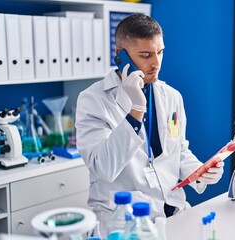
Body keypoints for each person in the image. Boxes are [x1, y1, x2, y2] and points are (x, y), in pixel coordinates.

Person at [75, 13, 224, 235]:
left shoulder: (172, 96)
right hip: (122, 222)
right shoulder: (93, 99)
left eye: (160, 52)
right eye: (145, 55)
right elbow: (103, 168)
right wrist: (136, 110)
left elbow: (178, 151)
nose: (156, 63)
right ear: (121, 56)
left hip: (173, 214)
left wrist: (200, 171)